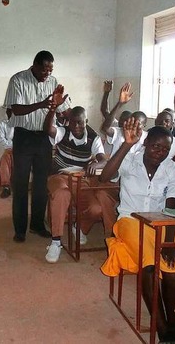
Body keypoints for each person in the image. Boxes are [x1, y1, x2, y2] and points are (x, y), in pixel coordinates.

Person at [99, 120, 175, 342]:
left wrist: (170, 243)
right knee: (150, 266)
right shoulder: (129, 160)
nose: (160, 152)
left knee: (173, 271)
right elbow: (104, 177)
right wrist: (126, 144)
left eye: (165, 149)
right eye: (156, 146)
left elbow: (172, 206)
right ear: (146, 143)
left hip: (159, 223)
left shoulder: (172, 169)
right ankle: (162, 328)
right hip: (129, 221)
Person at [3, 51, 70, 242]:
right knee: (21, 184)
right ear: (35, 65)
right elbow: (15, 109)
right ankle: (20, 229)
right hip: (23, 137)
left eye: (50, 69)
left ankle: (37, 225)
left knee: (41, 184)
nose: (47, 73)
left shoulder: (53, 81)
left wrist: (65, 110)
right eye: (44, 69)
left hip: (43, 139)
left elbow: (63, 109)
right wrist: (42, 104)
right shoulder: (17, 80)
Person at [43, 106, 113, 263]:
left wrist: (97, 164)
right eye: (73, 123)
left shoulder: (93, 138)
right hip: (59, 174)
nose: (76, 126)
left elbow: (103, 159)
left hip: (80, 179)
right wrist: (53, 108)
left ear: (86, 121)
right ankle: (56, 241)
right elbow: (49, 129)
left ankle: (79, 228)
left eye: (80, 123)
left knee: (96, 209)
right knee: (62, 194)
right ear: (69, 122)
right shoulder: (63, 132)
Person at [0, 109, 14, 198]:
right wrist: (11, 145)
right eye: (9, 111)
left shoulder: (24, 123)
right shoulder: (3, 124)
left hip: (23, 150)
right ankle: (6, 187)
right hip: (9, 149)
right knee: (4, 159)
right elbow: (1, 139)